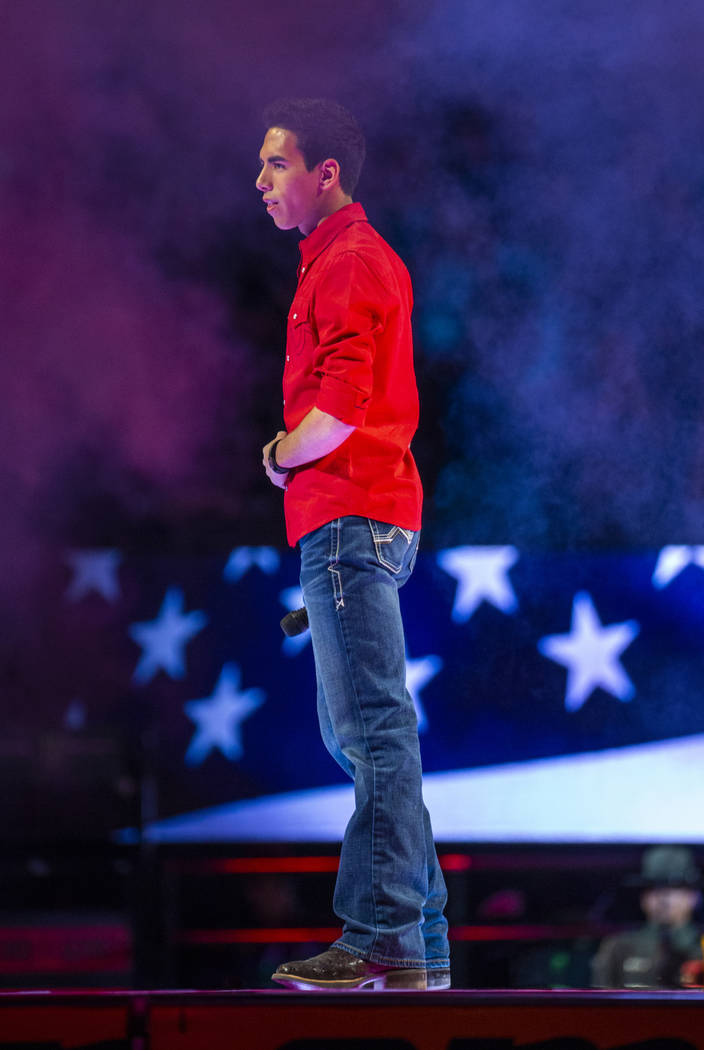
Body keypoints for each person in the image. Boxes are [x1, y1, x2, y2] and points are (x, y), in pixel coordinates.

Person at [257, 97, 450, 991]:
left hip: (347, 516)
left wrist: (278, 454)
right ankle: (423, 943)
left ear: (323, 173)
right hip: (364, 518)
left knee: (372, 734)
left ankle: (381, 940)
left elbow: (340, 408)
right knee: (377, 736)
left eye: (275, 165)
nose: (261, 182)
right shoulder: (347, 259)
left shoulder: (346, 261)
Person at [591, 845, 703, 988]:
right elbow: (600, 1000)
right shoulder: (619, 946)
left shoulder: (701, 945)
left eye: (675, 888)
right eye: (654, 889)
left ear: (693, 896)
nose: (664, 898)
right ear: (643, 898)